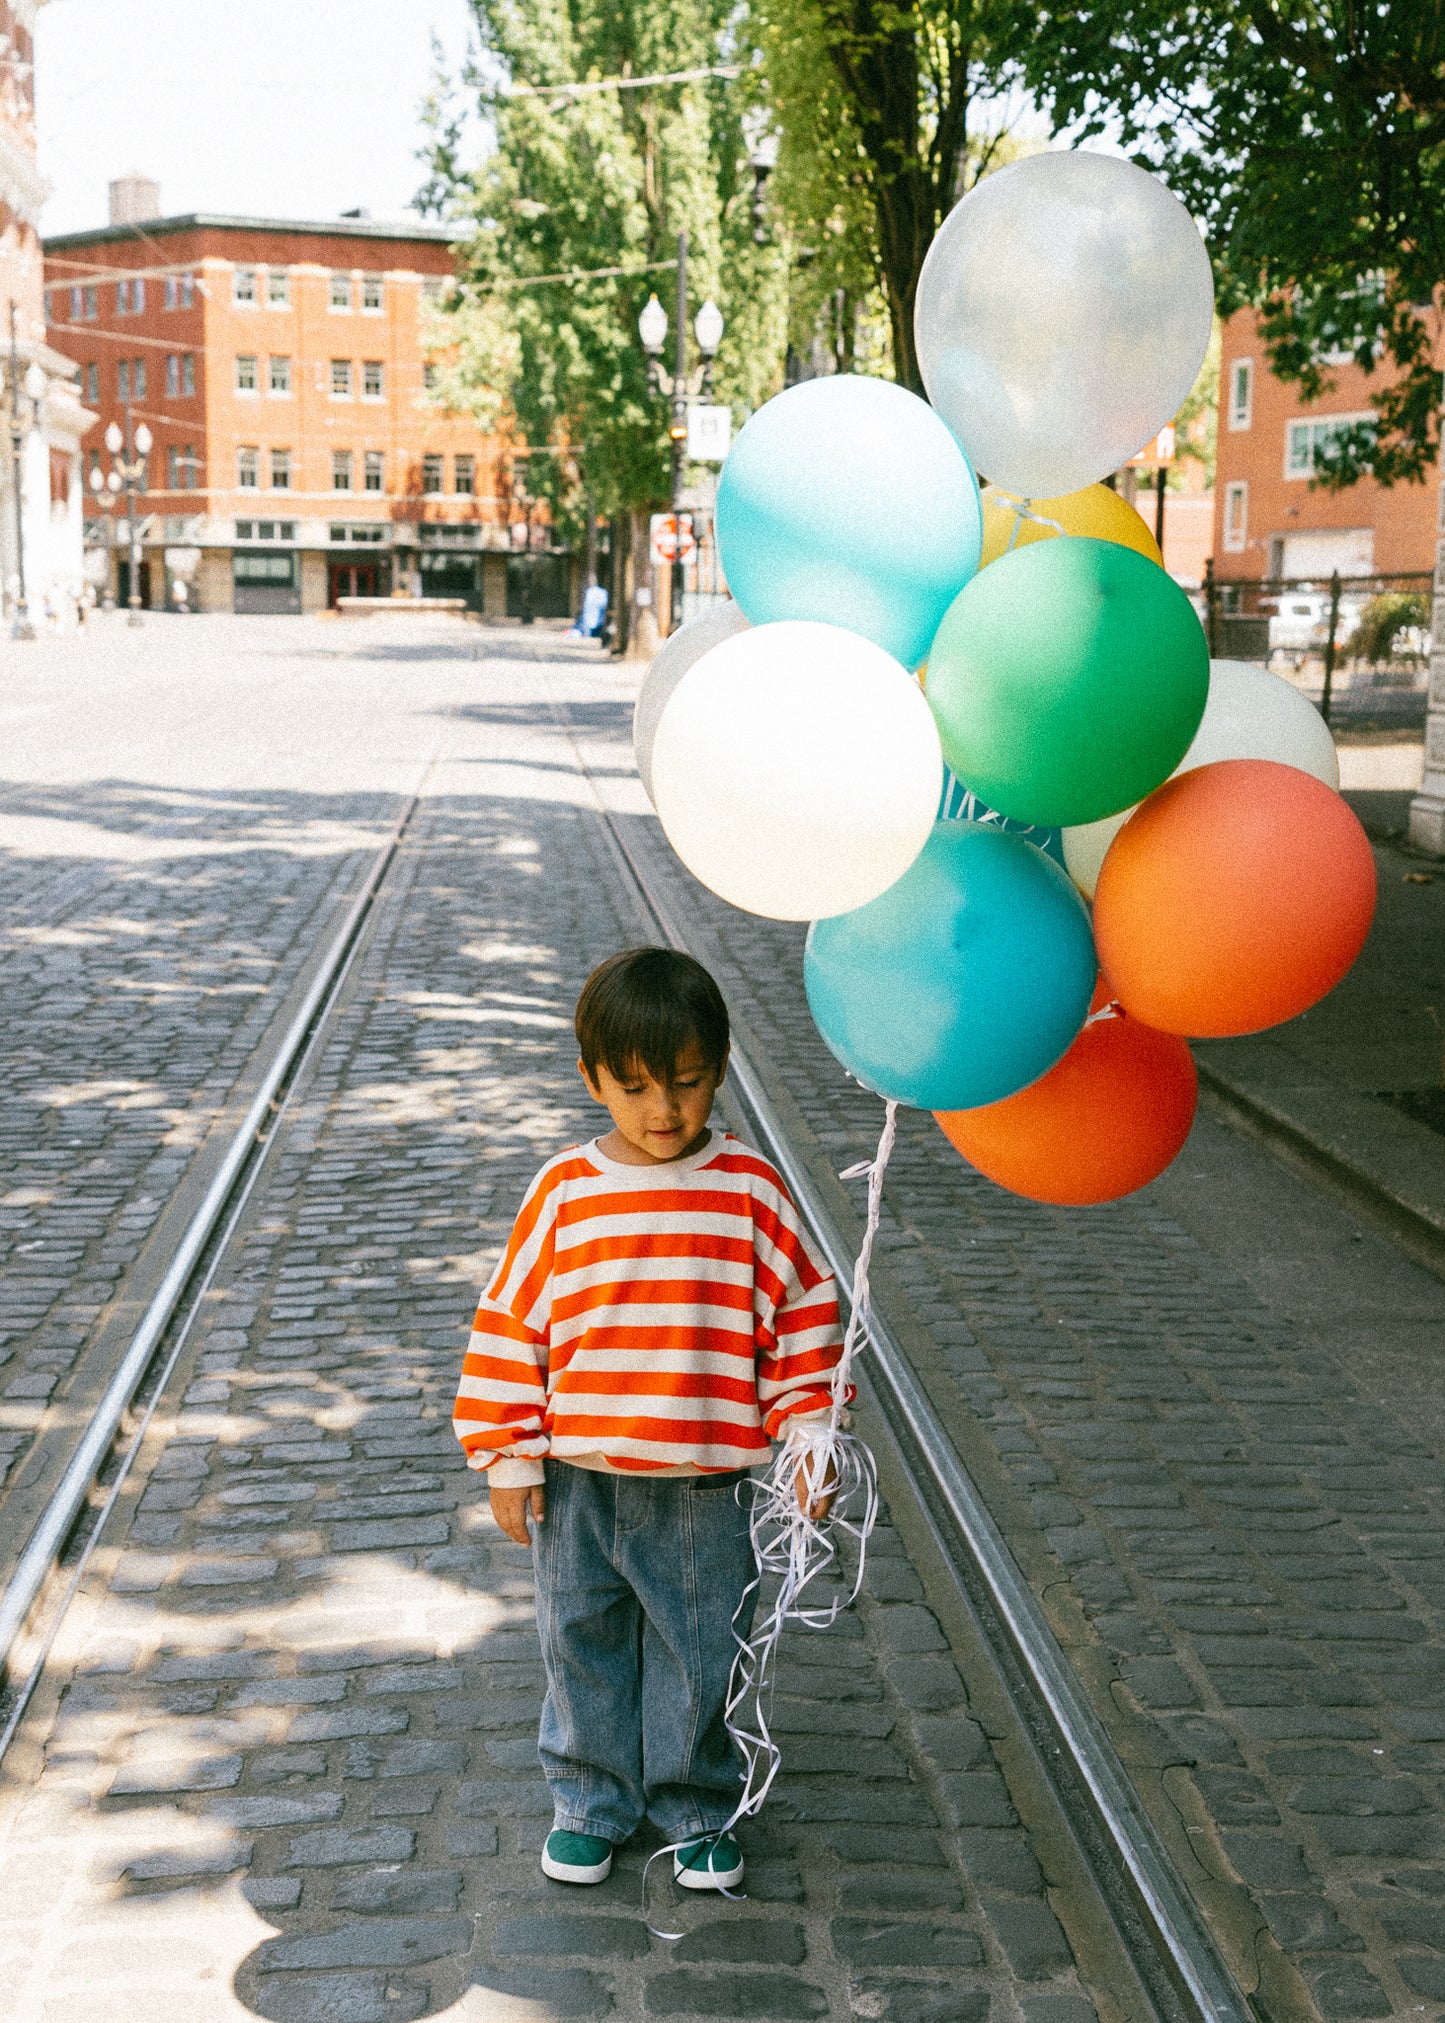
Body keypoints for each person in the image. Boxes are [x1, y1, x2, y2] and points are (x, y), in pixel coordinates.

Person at [453, 947, 845, 1891]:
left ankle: (695, 1802)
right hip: (582, 1477)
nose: (662, 1110)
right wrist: (508, 1455)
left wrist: (808, 1432)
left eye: (685, 1083)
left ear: (717, 1068)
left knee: (701, 1645)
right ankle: (589, 1798)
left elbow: (803, 1311)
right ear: (591, 1078)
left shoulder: (749, 1188)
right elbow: (513, 1317)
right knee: (578, 1636)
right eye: (632, 1088)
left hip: (702, 1482)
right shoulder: (564, 1191)